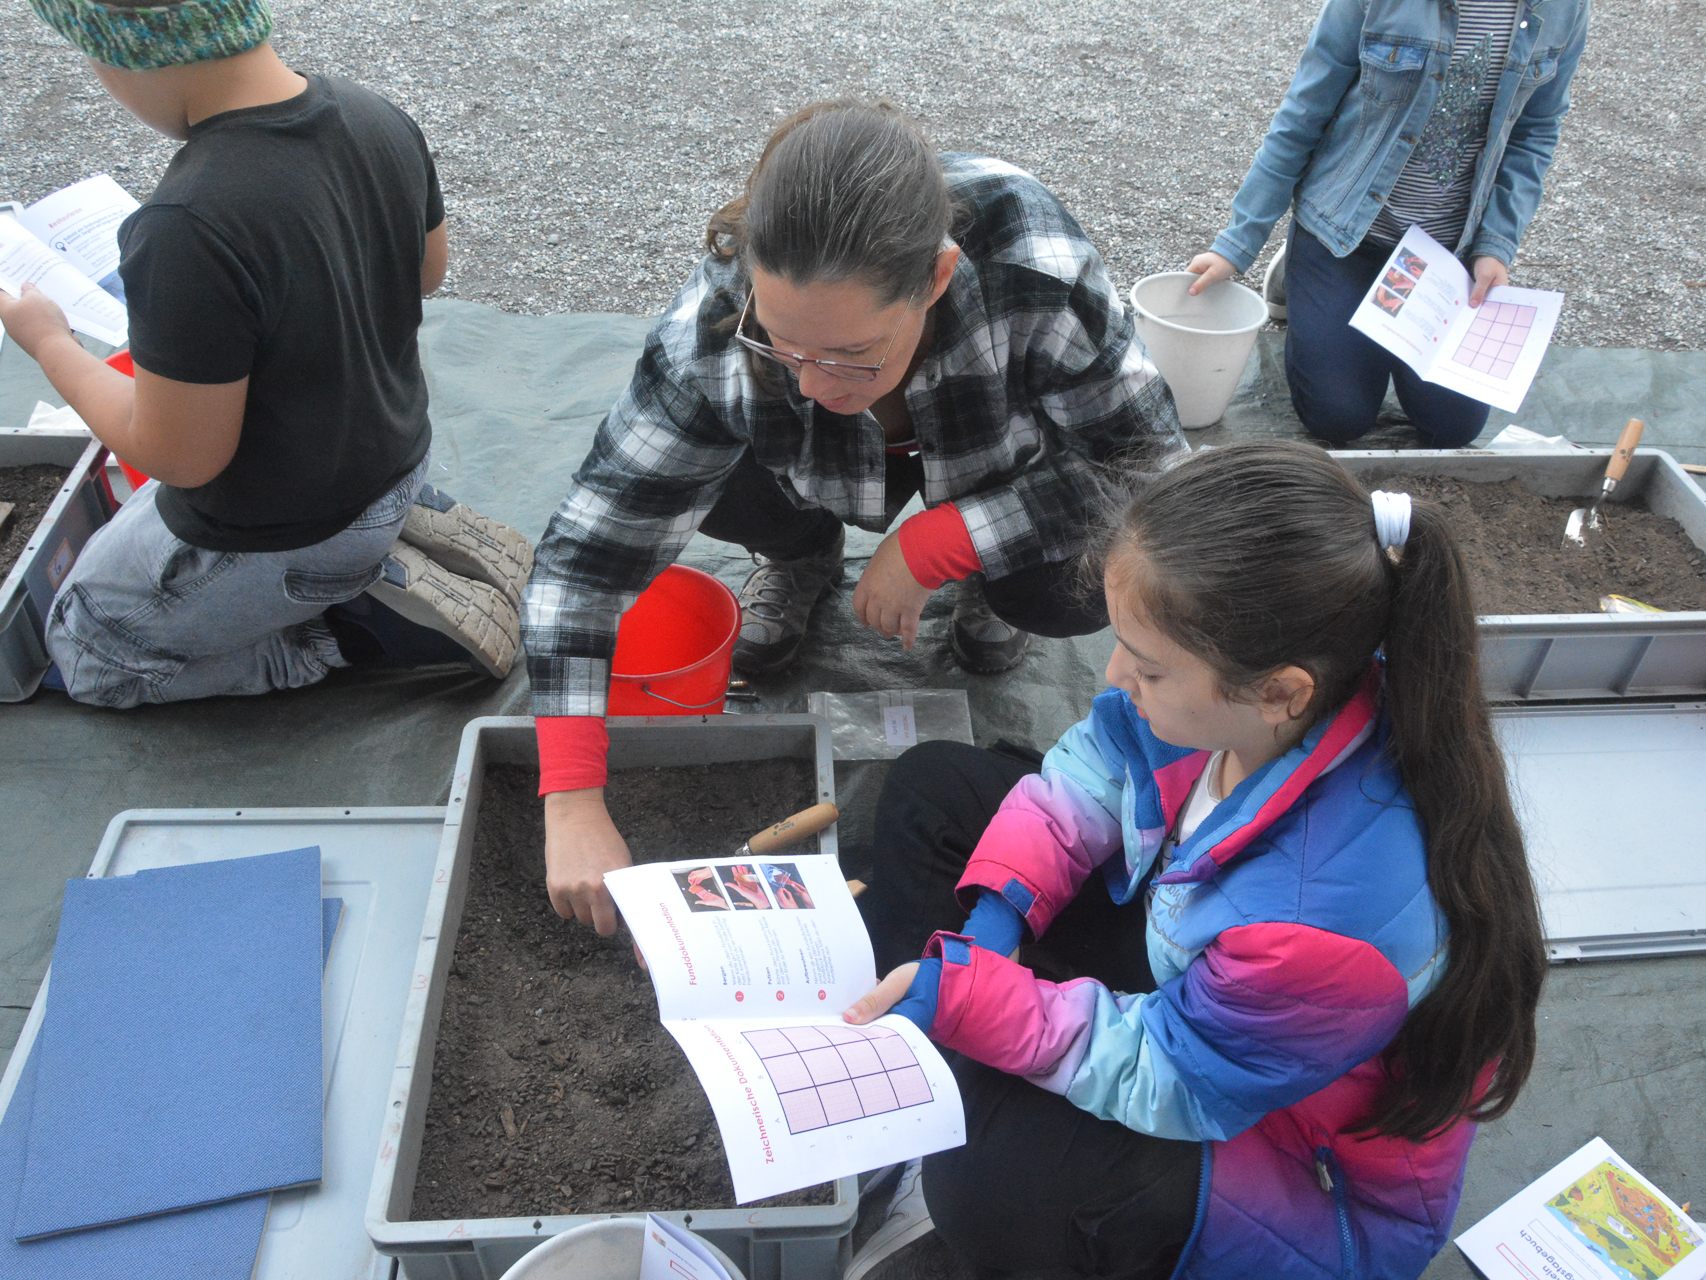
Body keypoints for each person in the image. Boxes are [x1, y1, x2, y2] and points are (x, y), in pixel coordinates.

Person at [845, 441, 1547, 1278]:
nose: (1112, 674)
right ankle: (929, 1072)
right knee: (934, 789)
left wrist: (974, 1000)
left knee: (986, 1178)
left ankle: (944, 1093)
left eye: (1145, 666)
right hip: (1206, 959)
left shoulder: (1321, 916)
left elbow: (1174, 1076)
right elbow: (1107, 756)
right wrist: (999, 912)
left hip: (1285, 1161)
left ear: (1279, 691)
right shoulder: (1284, 689)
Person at [525, 99, 1184, 935]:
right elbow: (587, 554)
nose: (810, 386)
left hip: (998, 466)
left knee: (1075, 587)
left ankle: (994, 580)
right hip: (817, 481)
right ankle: (802, 554)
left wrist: (953, 538)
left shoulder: (1036, 272)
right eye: (784, 346)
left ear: (936, 281)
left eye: (848, 354)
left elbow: (1151, 473)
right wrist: (572, 797)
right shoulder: (721, 326)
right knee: (705, 467)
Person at [0, 0, 530, 708]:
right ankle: (388, 533)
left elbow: (181, 459)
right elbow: (425, 272)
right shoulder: (374, 115)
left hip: (293, 527)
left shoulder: (185, 224)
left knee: (89, 645)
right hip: (393, 458)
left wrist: (48, 342)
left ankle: (351, 628)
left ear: (128, 54)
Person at [1187, 0, 1590, 447]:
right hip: (1344, 235)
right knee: (1337, 417)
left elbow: (1536, 132)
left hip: (1442, 253)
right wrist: (1236, 243)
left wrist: (1495, 245)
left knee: (1454, 428)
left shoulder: (1564, 8)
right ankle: (1302, 276)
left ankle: (1345, 317)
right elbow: (1304, 112)